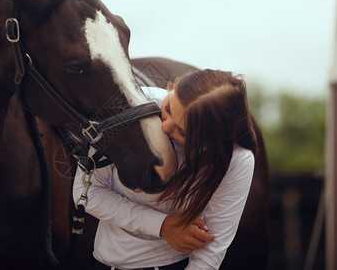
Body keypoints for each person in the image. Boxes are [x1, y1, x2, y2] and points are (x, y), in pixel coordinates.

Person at [73, 69, 257, 270]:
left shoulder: (237, 159)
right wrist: (162, 226)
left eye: (183, 132)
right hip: (102, 262)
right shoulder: (129, 106)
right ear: (174, 85)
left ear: (211, 139)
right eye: (168, 108)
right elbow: (86, 192)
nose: (165, 126)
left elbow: (213, 248)